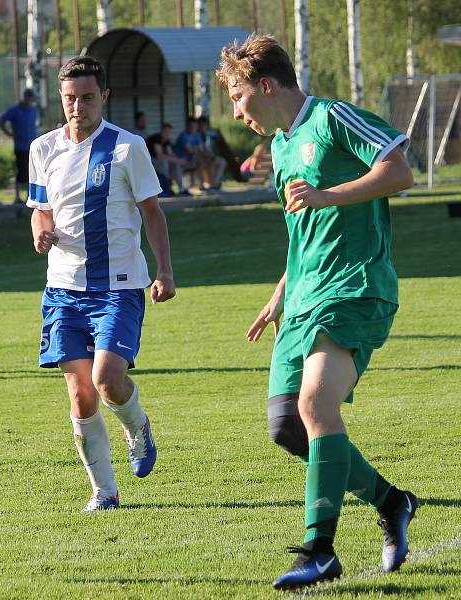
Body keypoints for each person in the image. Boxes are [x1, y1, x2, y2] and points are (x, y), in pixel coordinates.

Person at [217, 34, 416, 590]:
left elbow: (400, 173)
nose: (236, 111)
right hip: (303, 297)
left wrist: (330, 194)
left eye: (237, 96)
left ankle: (319, 550)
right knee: (287, 426)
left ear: (265, 84)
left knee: (315, 402)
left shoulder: (333, 118)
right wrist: (281, 290)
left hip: (355, 286)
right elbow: (301, 229)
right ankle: (392, 501)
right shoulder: (281, 148)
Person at [28, 56, 175, 512]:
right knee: (80, 393)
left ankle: (138, 428)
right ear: (60, 98)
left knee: (108, 380)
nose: (78, 107)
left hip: (118, 285)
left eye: (87, 98)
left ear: (104, 97)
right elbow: (41, 208)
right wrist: (39, 229)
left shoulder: (127, 148)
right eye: (70, 98)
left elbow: (152, 211)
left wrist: (164, 271)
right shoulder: (43, 148)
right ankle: (105, 492)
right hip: (63, 288)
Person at [0, 89, 38, 204]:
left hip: (32, 146)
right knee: (21, 171)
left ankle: (29, 195)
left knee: (31, 171)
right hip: (20, 146)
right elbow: (2, 120)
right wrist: (10, 134)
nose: (29, 100)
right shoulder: (15, 110)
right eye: (28, 98)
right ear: (24, 97)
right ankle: (17, 196)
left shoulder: (33, 109)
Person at [146, 123, 191, 196]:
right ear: (161, 131)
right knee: (165, 163)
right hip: (148, 162)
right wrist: (178, 160)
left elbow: (170, 154)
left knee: (175, 164)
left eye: (169, 132)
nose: (168, 134)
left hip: (158, 162)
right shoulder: (156, 138)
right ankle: (166, 187)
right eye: (166, 132)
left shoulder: (166, 141)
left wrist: (180, 160)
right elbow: (159, 155)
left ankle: (181, 188)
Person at [173, 117, 209, 190]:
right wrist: (200, 152)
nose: (193, 128)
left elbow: (200, 149)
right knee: (201, 161)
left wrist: (206, 155)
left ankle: (208, 185)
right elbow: (190, 150)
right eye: (191, 127)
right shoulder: (184, 135)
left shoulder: (197, 135)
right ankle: (183, 188)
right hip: (180, 159)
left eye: (195, 126)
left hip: (190, 159)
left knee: (208, 161)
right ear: (187, 126)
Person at [191, 117, 227, 190]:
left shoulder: (205, 135)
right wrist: (210, 156)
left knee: (221, 161)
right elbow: (198, 150)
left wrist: (211, 155)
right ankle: (211, 184)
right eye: (201, 125)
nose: (203, 127)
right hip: (196, 158)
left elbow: (207, 149)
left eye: (204, 125)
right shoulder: (196, 135)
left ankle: (213, 183)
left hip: (205, 157)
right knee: (210, 162)